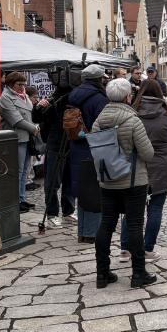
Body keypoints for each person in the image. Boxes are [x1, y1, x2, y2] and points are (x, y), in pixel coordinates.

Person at [92, 78, 157, 288]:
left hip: (107, 180)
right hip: (132, 181)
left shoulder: (98, 120)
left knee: (106, 224)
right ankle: (139, 274)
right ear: (128, 97)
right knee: (135, 225)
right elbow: (148, 153)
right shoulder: (132, 120)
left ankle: (102, 273)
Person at [119, 80, 167, 262]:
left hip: (136, 165)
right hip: (161, 166)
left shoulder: (131, 113)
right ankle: (147, 248)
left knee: (131, 209)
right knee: (156, 208)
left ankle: (126, 249)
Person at [68, 65, 111, 243]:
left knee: (82, 189)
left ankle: (83, 231)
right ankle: (92, 233)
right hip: (94, 147)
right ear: (99, 79)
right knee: (94, 190)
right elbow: (103, 126)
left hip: (76, 147)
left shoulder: (73, 95)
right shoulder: (99, 99)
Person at [33, 83, 76, 227]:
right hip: (56, 142)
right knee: (52, 180)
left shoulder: (75, 100)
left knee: (69, 179)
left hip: (71, 141)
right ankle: (52, 213)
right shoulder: (54, 100)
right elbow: (36, 117)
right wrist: (39, 106)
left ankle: (68, 211)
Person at [0, 72, 38, 213]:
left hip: (27, 137)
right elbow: (16, 119)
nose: (22, 87)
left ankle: (21, 198)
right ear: (11, 84)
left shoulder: (24, 95)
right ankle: (15, 201)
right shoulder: (6, 98)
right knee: (18, 171)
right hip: (17, 138)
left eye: (24, 84)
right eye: (19, 84)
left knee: (25, 171)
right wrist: (34, 128)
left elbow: (29, 114)